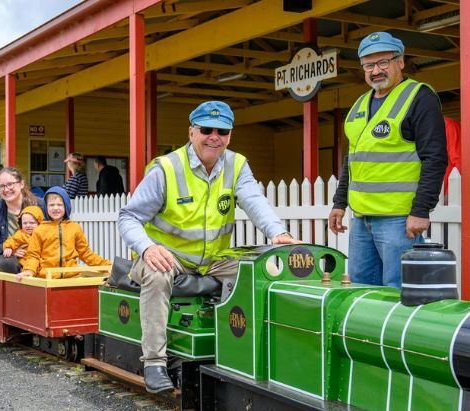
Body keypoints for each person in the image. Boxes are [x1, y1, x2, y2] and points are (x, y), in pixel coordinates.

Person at [118, 100, 299, 393]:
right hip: (169, 256)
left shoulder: (237, 164)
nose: (214, 137)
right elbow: (128, 216)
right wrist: (148, 248)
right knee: (156, 272)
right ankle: (154, 362)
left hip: (213, 258)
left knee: (261, 270)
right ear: (191, 132)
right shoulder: (166, 168)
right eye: (206, 129)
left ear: (230, 135)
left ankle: (253, 350)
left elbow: (254, 200)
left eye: (223, 131)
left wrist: (278, 232)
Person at [328, 32, 447, 288]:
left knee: (398, 293)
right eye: (369, 65)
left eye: (383, 62)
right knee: (361, 291)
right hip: (361, 219)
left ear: (400, 62)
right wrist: (340, 202)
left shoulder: (419, 97)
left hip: (399, 220)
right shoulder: (360, 104)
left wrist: (421, 210)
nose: (376, 70)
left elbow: (435, 157)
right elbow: (354, 158)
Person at [17, 186, 109, 281]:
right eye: (51, 205)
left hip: (72, 279)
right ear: (46, 207)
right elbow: (33, 255)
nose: (55, 208)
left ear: (66, 206)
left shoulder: (75, 228)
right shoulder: (39, 230)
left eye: (59, 205)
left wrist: (106, 266)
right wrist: (29, 270)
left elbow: (86, 253)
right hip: (47, 279)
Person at [0, 167, 44, 273]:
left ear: (21, 184)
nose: (6, 189)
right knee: (8, 262)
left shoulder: (40, 205)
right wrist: (7, 248)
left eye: (10, 184)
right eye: (2, 186)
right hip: (5, 262)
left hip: (38, 256)